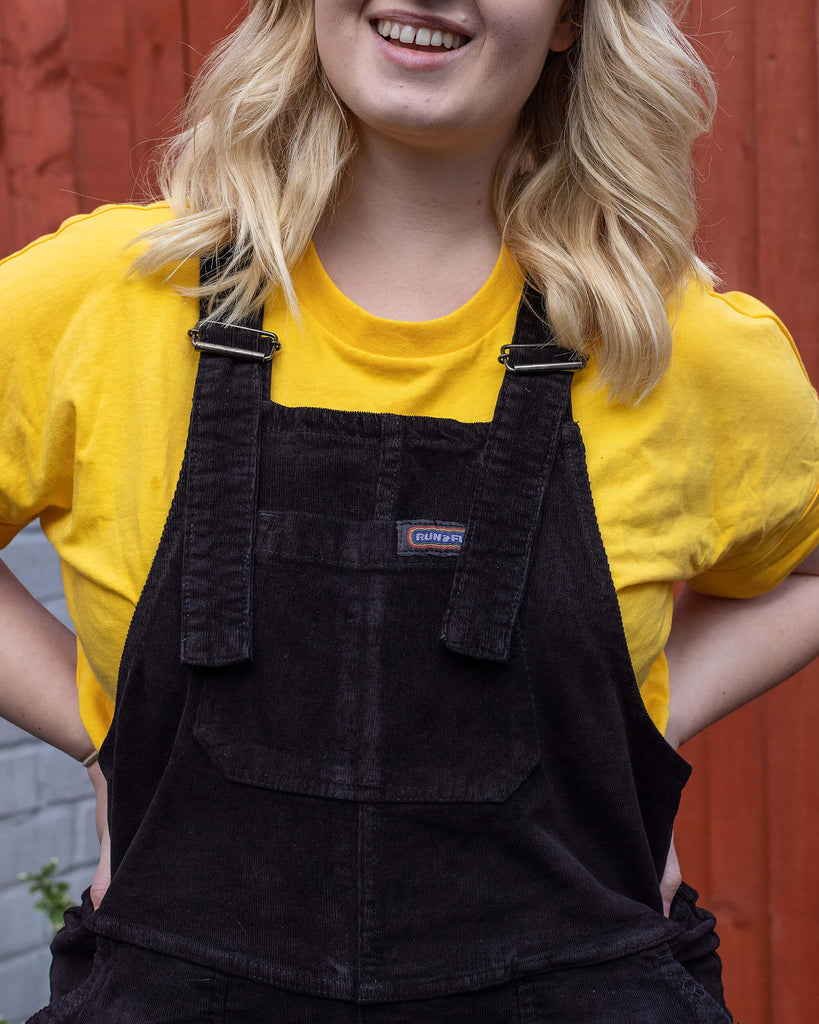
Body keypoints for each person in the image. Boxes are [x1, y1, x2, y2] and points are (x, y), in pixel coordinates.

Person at [1, 0, 818, 1020]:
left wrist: (630, 740)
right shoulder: (112, 295)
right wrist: (102, 744)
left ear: (570, 21)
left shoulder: (669, 346)